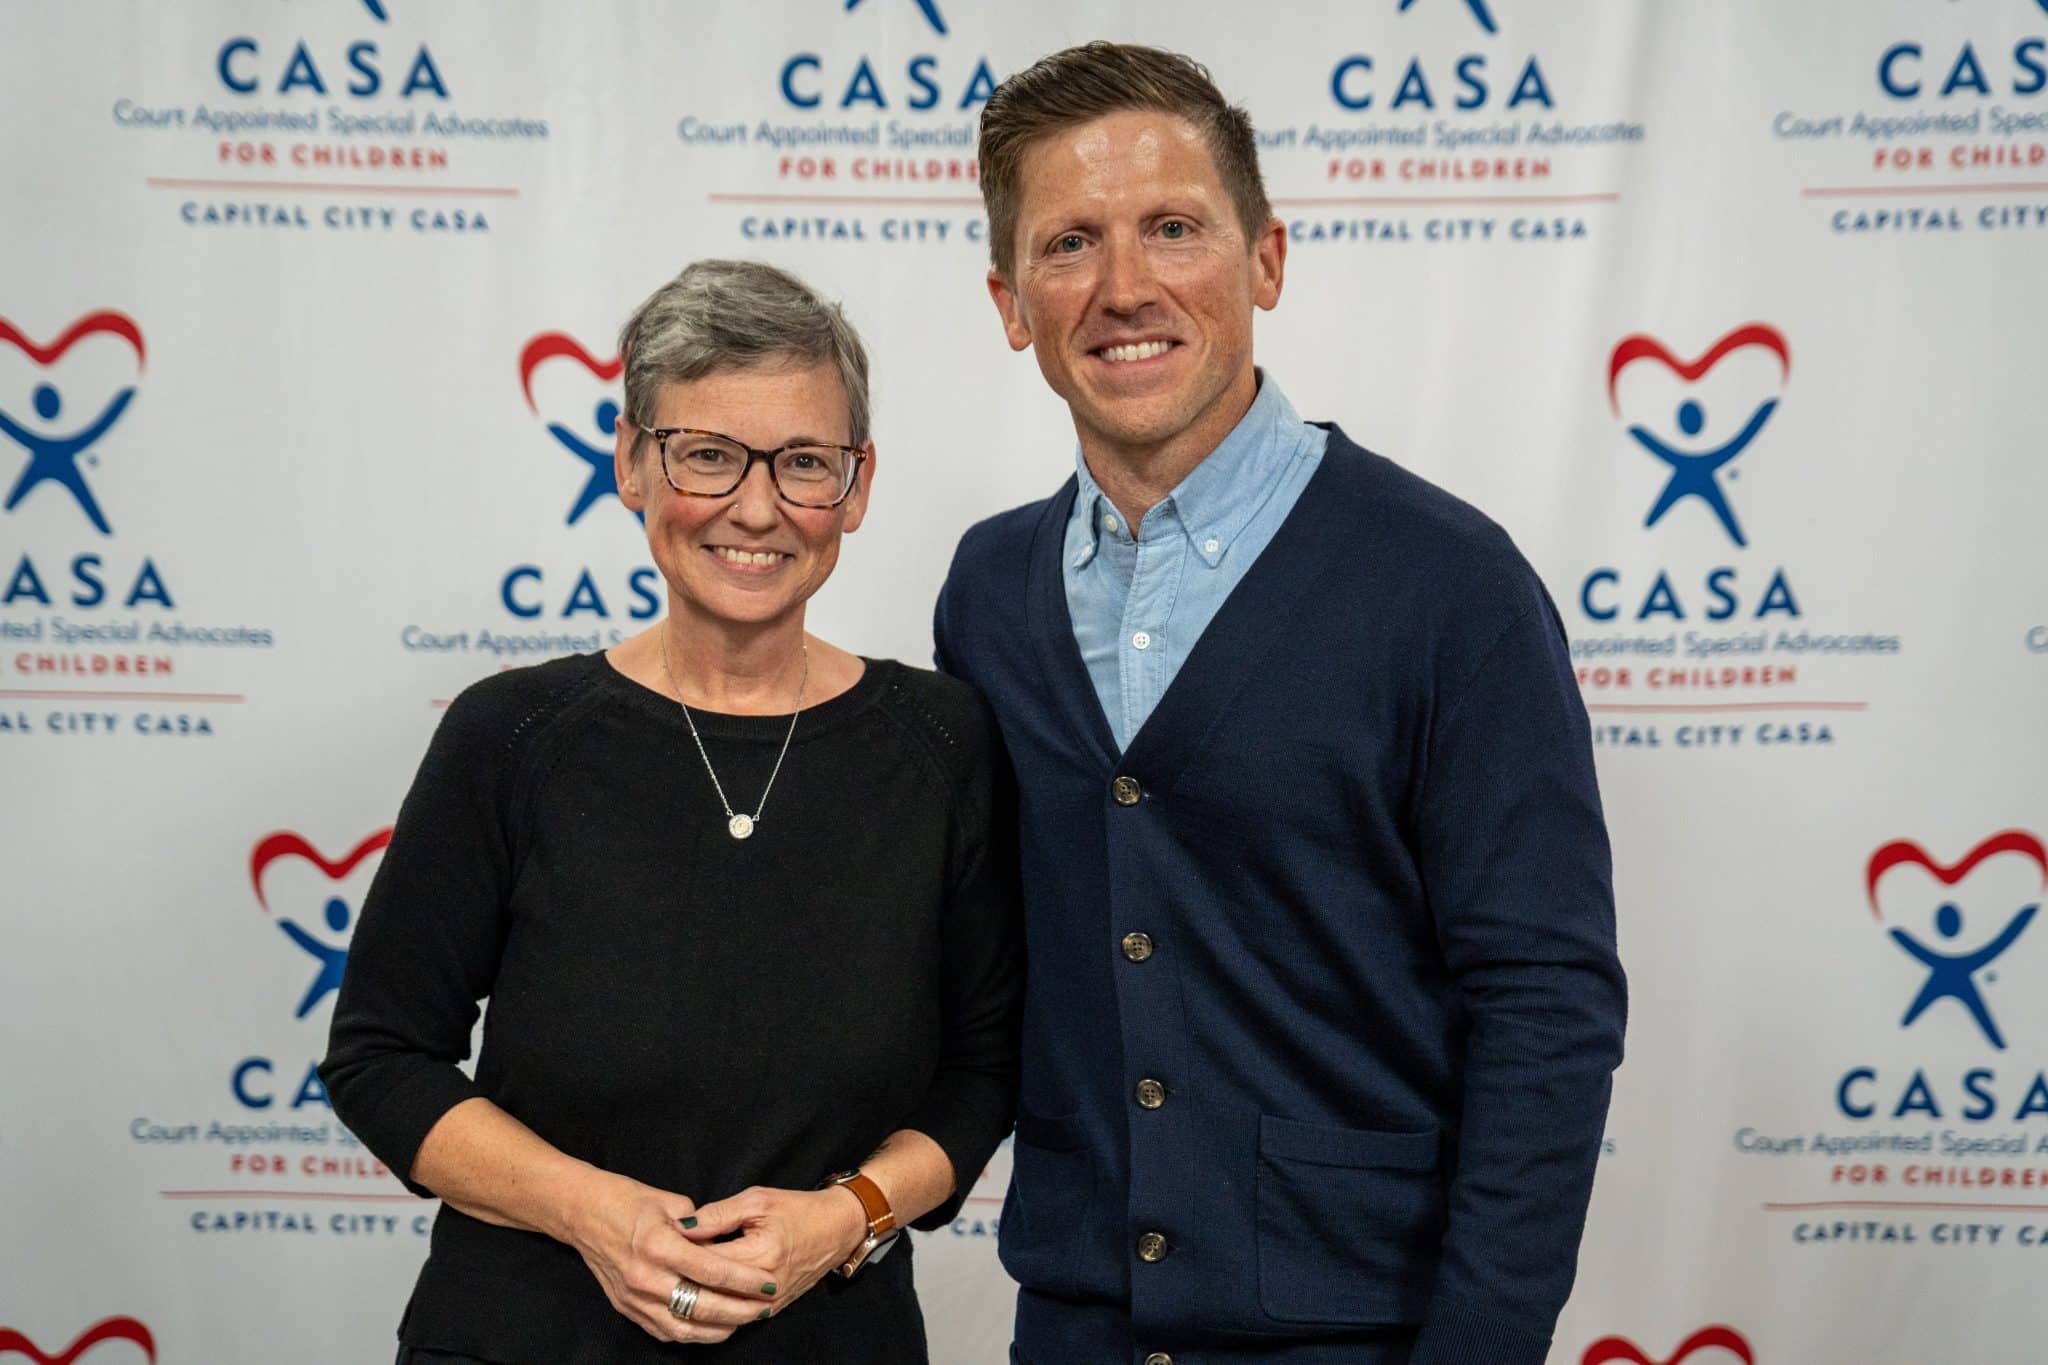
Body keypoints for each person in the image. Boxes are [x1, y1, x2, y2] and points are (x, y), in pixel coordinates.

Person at [933, 43, 1627, 1365]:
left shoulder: (1450, 584)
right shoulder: (987, 590)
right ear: (1011, 303)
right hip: (1073, 1328)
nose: (1123, 287)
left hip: (1362, 1335)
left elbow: (1546, 1004)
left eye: (1173, 227)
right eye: (1070, 243)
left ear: (1265, 260)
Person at [323, 259, 1022, 1364]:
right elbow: (381, 1057)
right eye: (707, 454)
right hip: (524, 1339)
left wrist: (847, 1215)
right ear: (631, 462)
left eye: (804, 462)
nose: (757, 507)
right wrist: (591, 1213)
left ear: (856, 486)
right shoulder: (512, 736)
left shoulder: (943, 744)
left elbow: (984, 1073)